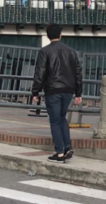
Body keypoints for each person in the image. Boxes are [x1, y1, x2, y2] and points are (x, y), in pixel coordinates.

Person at [30, 24, 82, 162]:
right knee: (62, 118)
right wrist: (78, 93)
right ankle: (67, 147)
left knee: (54, 120)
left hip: (53, 89)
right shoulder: (71, 52)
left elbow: (39, 73)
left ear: (48, 36)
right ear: (60, 35)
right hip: (68, 90)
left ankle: (59, 152)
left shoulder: (44, 51)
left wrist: (35, 92)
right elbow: (77, 73)